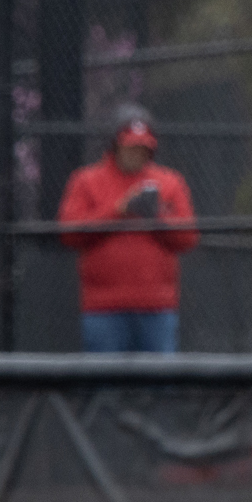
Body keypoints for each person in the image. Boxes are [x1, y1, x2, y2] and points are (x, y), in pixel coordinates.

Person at [57, 107, 199, 353]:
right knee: (106, 377)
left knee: (161, 376)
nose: (137, 153)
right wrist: (119, 209)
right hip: (103, 308)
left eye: (143, 147)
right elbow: (69, 233)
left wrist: (156, 218)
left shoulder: (170, 182)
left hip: (157, 307)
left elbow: (188, 238)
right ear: (114, 145)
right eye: (131, 146)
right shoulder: (86, 180)